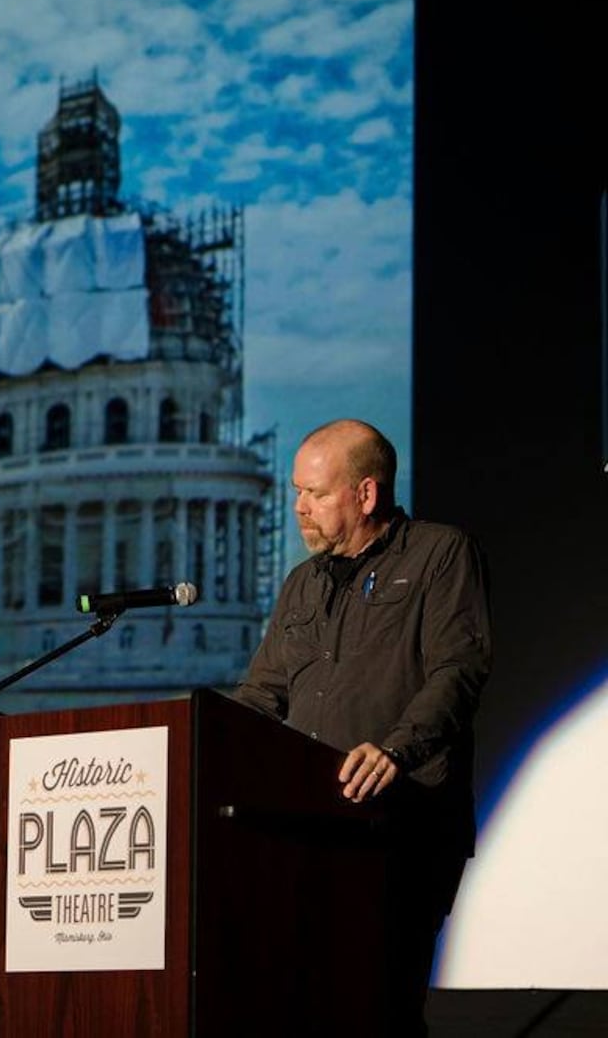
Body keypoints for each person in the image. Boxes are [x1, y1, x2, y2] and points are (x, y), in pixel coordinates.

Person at [232, 418, 492, 1037]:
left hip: (404, 825)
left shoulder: (439, 553)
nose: (299, 507)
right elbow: (261, 695)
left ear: (366, 494)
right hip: (309, 830)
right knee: (305, 1004)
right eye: (296, 491)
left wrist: (397, 749)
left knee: (379, 1007)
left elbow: (460, 668)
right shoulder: (301, 586)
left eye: (315, 494)